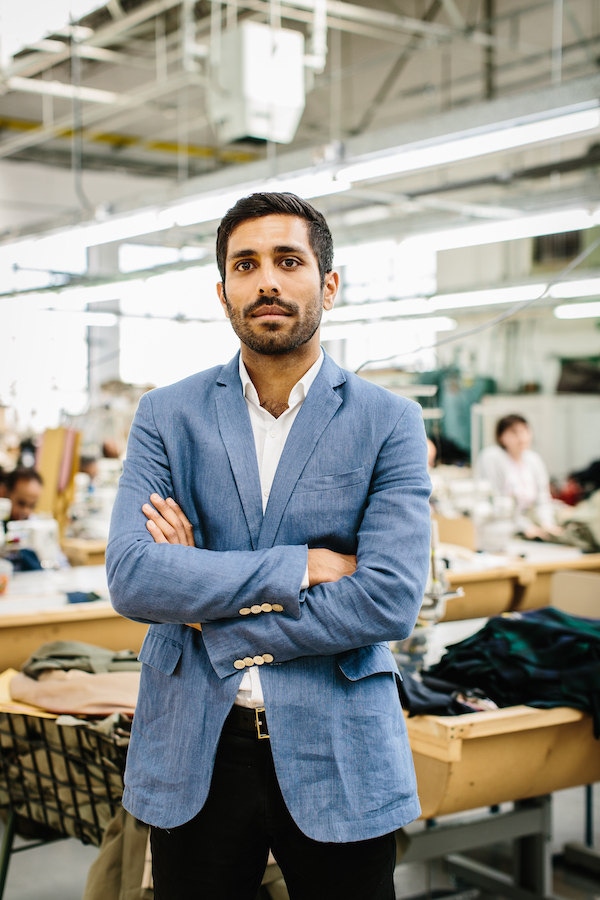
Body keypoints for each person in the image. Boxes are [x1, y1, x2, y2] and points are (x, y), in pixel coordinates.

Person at [106, 191, 432, 900]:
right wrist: (301, 566)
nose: (268, 282)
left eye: (289, 261)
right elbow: (134, 576)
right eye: (245, 265)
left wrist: (204, 601)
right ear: (223, 291)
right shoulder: (167, 415)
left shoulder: (390, 421)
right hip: (196, 741)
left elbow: (388, 599)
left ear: (329, 283)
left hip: (339, 741)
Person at [475, 413, 561, 540]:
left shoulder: (534, 460)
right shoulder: (492, 457)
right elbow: (496, 501)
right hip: (503, 522)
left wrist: (547, 524)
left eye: (525, 431)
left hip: (532, 517)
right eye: (514, 433)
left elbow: (543, 499)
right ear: (501, 437)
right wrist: (525, 527)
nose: (521, 437)